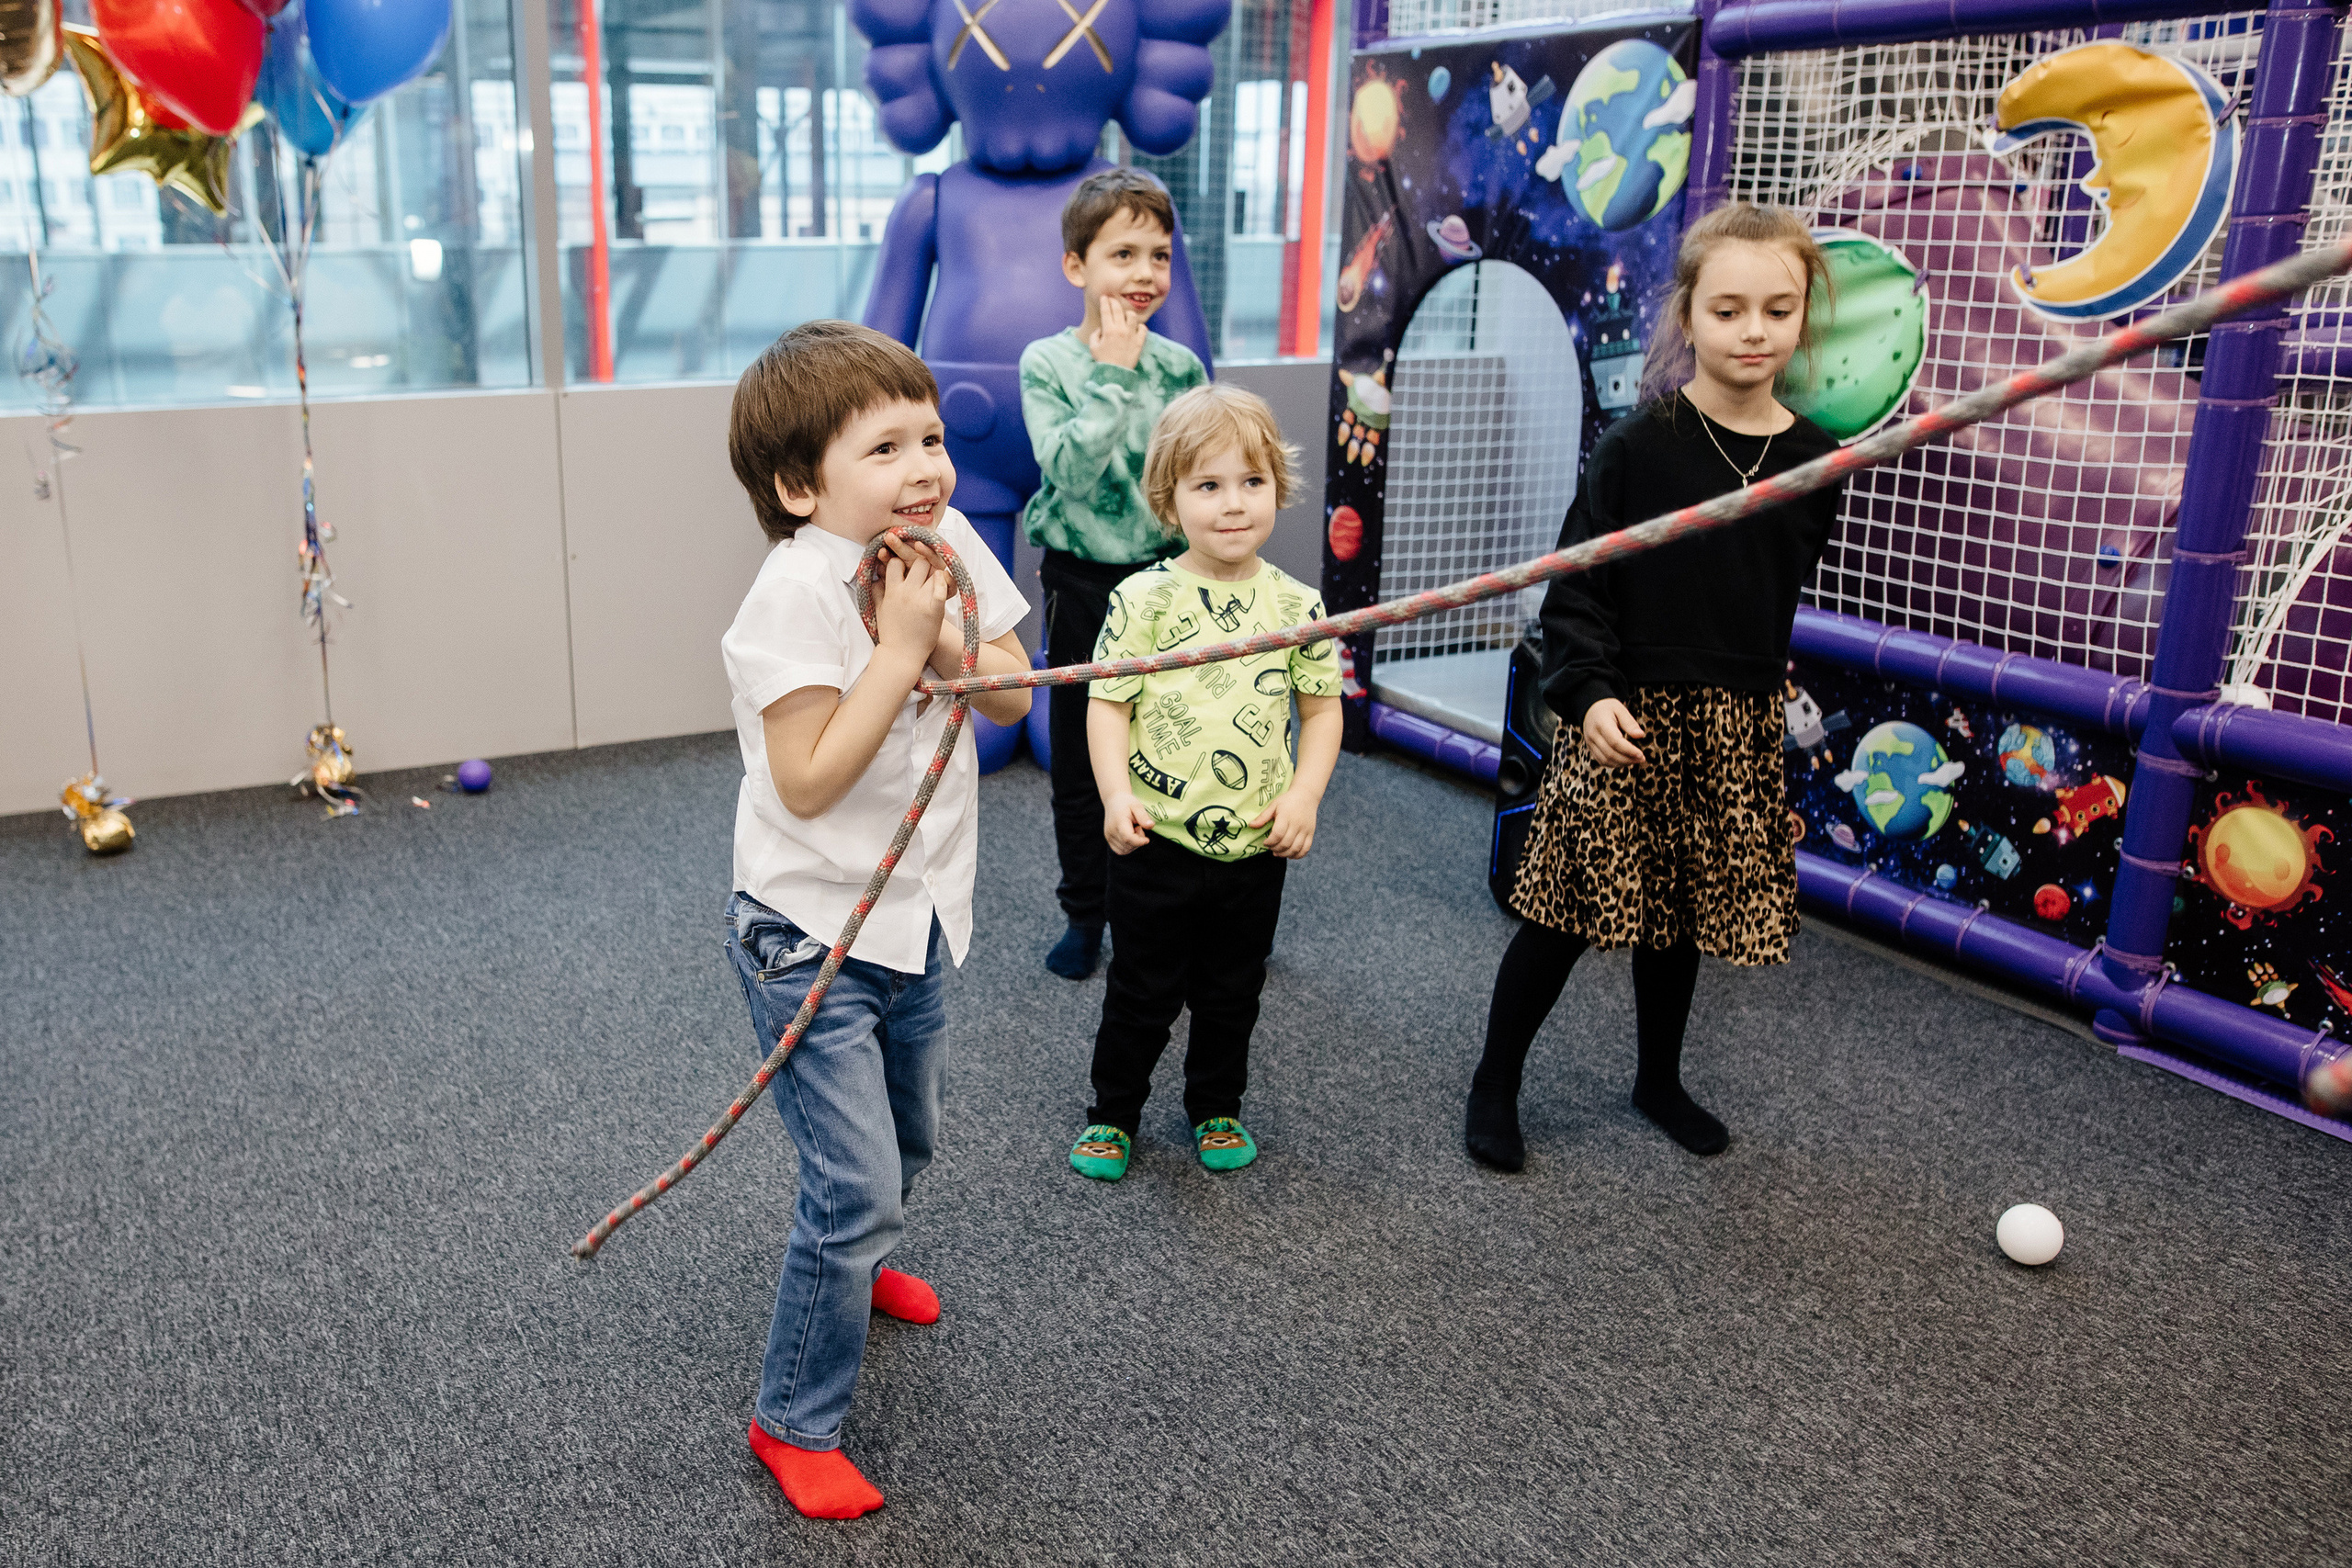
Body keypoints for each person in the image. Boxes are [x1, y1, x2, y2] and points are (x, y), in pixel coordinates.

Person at [719, 321, 1033, 1518]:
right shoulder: (790, 597)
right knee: (850, 1183)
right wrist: (900, 652)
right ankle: (790, 1416)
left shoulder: (943, 539)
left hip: (918, 908)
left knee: (908, 1140)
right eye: (886, 446)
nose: (926, 466)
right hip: (808, 936)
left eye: (933, 437)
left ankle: (862, 1253)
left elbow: (1007, 689)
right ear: (802, 488)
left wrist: (943, 629)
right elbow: (807, 781)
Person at [1464, 202, 1845, 1172]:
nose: (1752, 330)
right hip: (1623, 710)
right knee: (1563, 909)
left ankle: (1657, 1079)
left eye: (1776, 309)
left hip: (1735, 719)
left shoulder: (1814, 461)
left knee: (1680, 913)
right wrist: (1586, 693)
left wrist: (1748, 699)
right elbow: (1577, 586)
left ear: (1806, 314)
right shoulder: (1637, 446)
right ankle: (1495, 1078)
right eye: (1726, 310)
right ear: (1687, 314)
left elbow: (1764, 590)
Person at [1064, 384, 1342, 1181]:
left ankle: (1215, 1106)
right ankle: (1112, 1112)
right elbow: (1108, 707)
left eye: (1252, 482)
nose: (1233, 504)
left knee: (1233, 990)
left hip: (1253, 842)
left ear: (1278, 490)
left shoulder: (1298, 604)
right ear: (1170, 498)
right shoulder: (1144, 599)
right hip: (1156, 839)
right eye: (1208, 485)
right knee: (1142, 989)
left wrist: (1304, 797)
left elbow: (1322, 715)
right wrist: (1116, 796)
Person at [1020, 168, 1211, 981]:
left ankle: (1174, 903)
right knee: (1080, 757)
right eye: (1122, 253)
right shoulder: (1047, 363)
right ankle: (1084, 910)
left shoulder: (1183, 370)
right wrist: (1112, 372)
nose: (1142, 274)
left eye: (1158, 256)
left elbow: (1198, 483)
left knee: (1172, 745)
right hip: (1081, 582)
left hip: (1166, 581)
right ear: (1077, 267)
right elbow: (1064, 468)